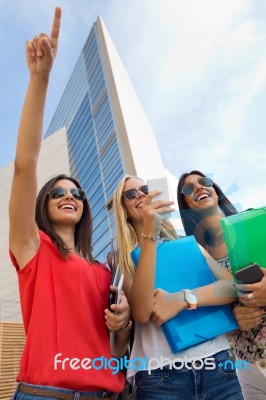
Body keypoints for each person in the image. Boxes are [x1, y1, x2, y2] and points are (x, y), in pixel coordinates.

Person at [9, 7, 132, 399]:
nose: (69, 196)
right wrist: (39, 80)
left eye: (76, 193)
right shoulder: (34, 250)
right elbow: (25, 166)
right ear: (44, 205)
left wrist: (124, 320)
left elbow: (115, 347)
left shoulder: (101, 272)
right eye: (58, 192)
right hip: (44, 394)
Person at [112, 174, 244, 400]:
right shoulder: (120, 258)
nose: (141, 194)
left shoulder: (188, 243)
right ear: (123, 208)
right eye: (131, 194)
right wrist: (150, 237)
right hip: (159, 375)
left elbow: (232, 286)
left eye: (144, 188)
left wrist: (185, 298)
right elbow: (142, 313)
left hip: (217, 363)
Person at [177, 169, 266, 399]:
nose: (198, 187)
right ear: (185, 205)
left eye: (203, 181)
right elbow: (204, 318)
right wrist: (232, 322)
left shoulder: (255, 223)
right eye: (188, 188)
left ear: (215, 190)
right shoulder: (194, 259)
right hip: (247, 367)